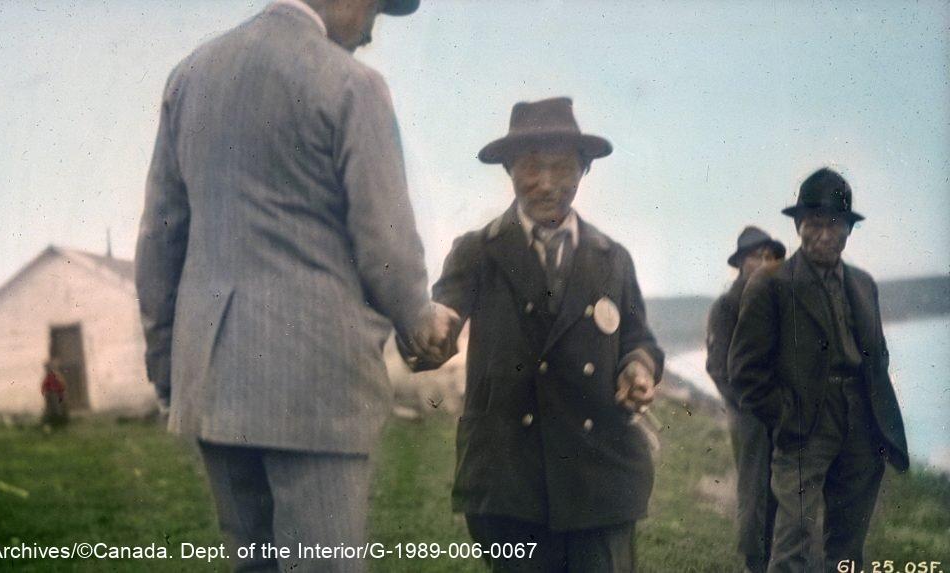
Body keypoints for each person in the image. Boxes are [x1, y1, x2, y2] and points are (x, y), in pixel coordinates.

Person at [135, 1, 458, 571]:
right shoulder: (353, 85)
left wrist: (169, 371)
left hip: (211, 380)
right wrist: (417, 319)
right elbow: (385, 243)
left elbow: (161, 240)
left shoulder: (189, 76)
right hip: (314, 383)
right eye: (375, 13)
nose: (369, 35)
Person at [408, 97, 663, 572]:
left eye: (561, 167)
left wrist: (638, 368)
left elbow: (639, 339)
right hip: (510, 483)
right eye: (530, 167)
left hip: (599, 480)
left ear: (583, 170)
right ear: (508, 170)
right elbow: (444, 311)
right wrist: (434, 331)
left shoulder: (612, 258)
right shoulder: (476, 251)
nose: (546, 183)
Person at [728, 168, 909, 572]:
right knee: (795, 544)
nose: (824, 235)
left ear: (849, 230)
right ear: (797, 226)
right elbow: (744, 372)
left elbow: (877, 357)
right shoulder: (772, 284)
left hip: (861, 421)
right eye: (814, 224)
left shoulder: (864, 284)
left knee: (847, 548)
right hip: (804, 423)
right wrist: (785, 415)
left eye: (835, 224)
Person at [706, 226, 785, 573]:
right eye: (756, 256)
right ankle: (755, 562)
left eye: (770, 256)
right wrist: (749, 406)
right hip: (749, 415)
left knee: (783, 491)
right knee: (754, 492)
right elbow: (717, 368)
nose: (764, 262)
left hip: (779, 412)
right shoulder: (726, 305)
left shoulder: (776, 299)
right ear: (740, 263)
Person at [40, 360, 69, 427]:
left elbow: (62, 385)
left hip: (56, 395)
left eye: (52, 368)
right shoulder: (48, 377)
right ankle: (52, 422)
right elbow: (44, 385)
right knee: (50, 409)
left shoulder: (57, 376)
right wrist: (44, 391)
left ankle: (59, 422)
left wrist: (61, 393)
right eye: (48, 368)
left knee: (58, 409)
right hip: (50, 395)